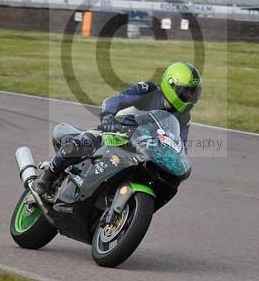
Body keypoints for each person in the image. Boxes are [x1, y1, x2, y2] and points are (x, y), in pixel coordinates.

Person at [31, 61, 202, 196]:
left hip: (144, 149)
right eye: (186, 91)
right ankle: (49, 174)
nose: (189, 96)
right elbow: (115, 101)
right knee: (86, 141)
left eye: (193, 93)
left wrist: (178, 159)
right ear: (171, 84)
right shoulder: (147, 90)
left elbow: (180, 143)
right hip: (117, 131)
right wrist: (108, 117)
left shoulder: (184, 115)